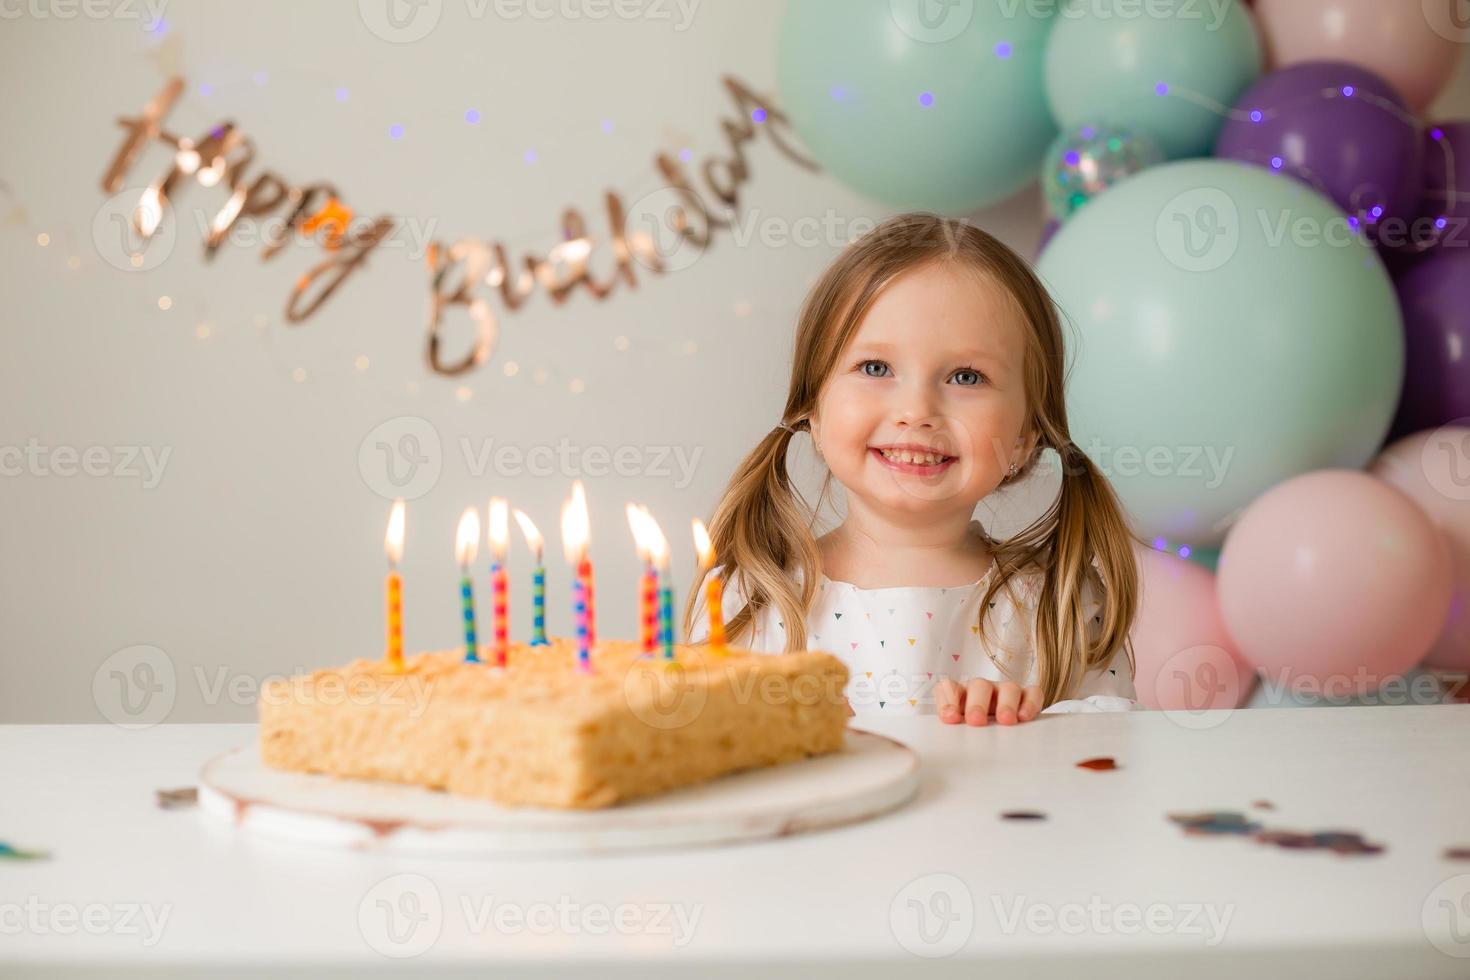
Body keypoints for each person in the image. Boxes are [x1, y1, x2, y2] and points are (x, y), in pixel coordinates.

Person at [685, 213, 1144, 723]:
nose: (917, 411)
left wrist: (1032, 729)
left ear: (1025, 435)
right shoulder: (750, 601)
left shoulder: (1062, 607)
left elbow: (1108, 765)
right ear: (813, 409)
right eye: (876, 368)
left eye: (966, 376)